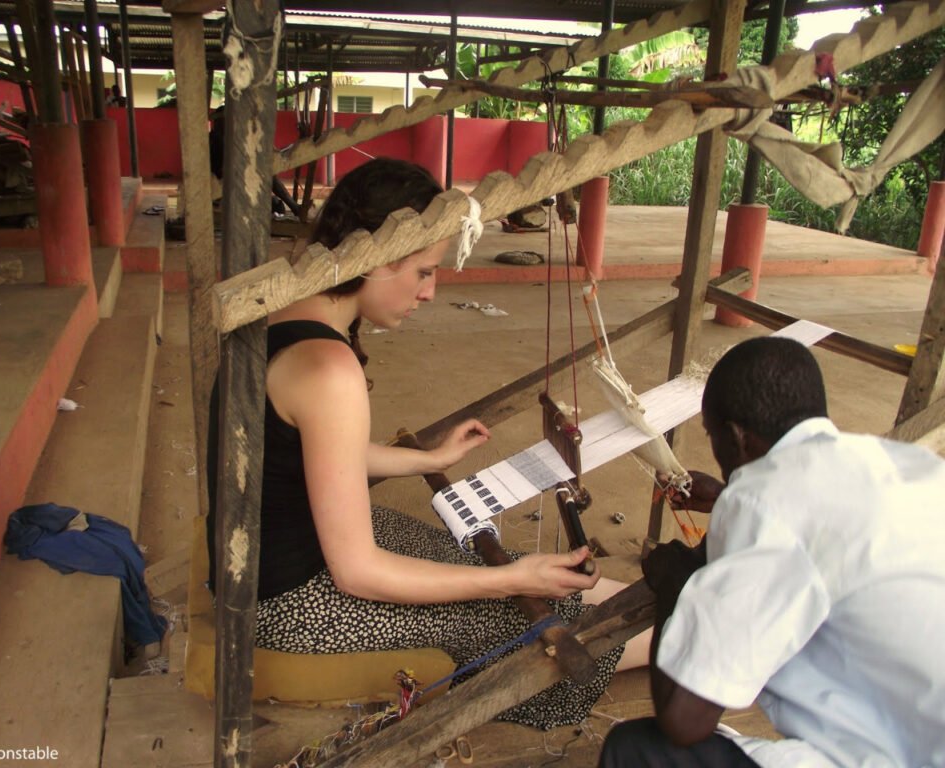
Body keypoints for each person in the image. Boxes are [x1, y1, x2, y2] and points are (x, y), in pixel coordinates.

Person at [207, 157, 648, 729]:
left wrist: (428, 459)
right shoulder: (328, 367)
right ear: (377, 260)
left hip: (262, 560)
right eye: (422, 272)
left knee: (465, 557)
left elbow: (305, 452)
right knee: (513, 623)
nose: (431, 292)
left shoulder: (284, 305)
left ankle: (671, 614)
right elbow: (358, 573)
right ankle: (688, 648)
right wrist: (512, 582)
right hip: (287, 604)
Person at [600, 337, 945, 766]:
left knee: (634, 750)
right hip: (918, 726)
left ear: (737, 438)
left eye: (712, 437)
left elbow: (682, 722)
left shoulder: (763, 505)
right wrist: (730, 496)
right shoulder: (900, 463)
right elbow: (816, 525)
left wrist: (674, 585)